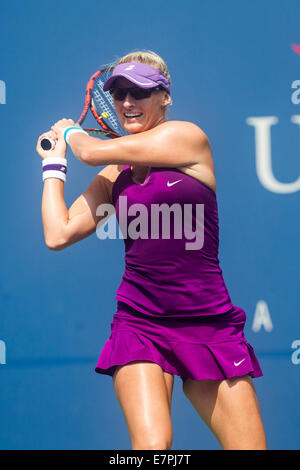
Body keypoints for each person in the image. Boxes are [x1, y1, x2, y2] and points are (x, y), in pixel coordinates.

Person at [36, 50, 267, 450]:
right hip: (140, 322)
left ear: (165, 97)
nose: (128, 103)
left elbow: (89, 151)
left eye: (140, 92)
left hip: (208, 322)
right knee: (152, 450)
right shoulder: (115, 174)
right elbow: (58, 234)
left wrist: (69, 133)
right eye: (120, 93)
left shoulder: (187, 139)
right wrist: (53, 166)